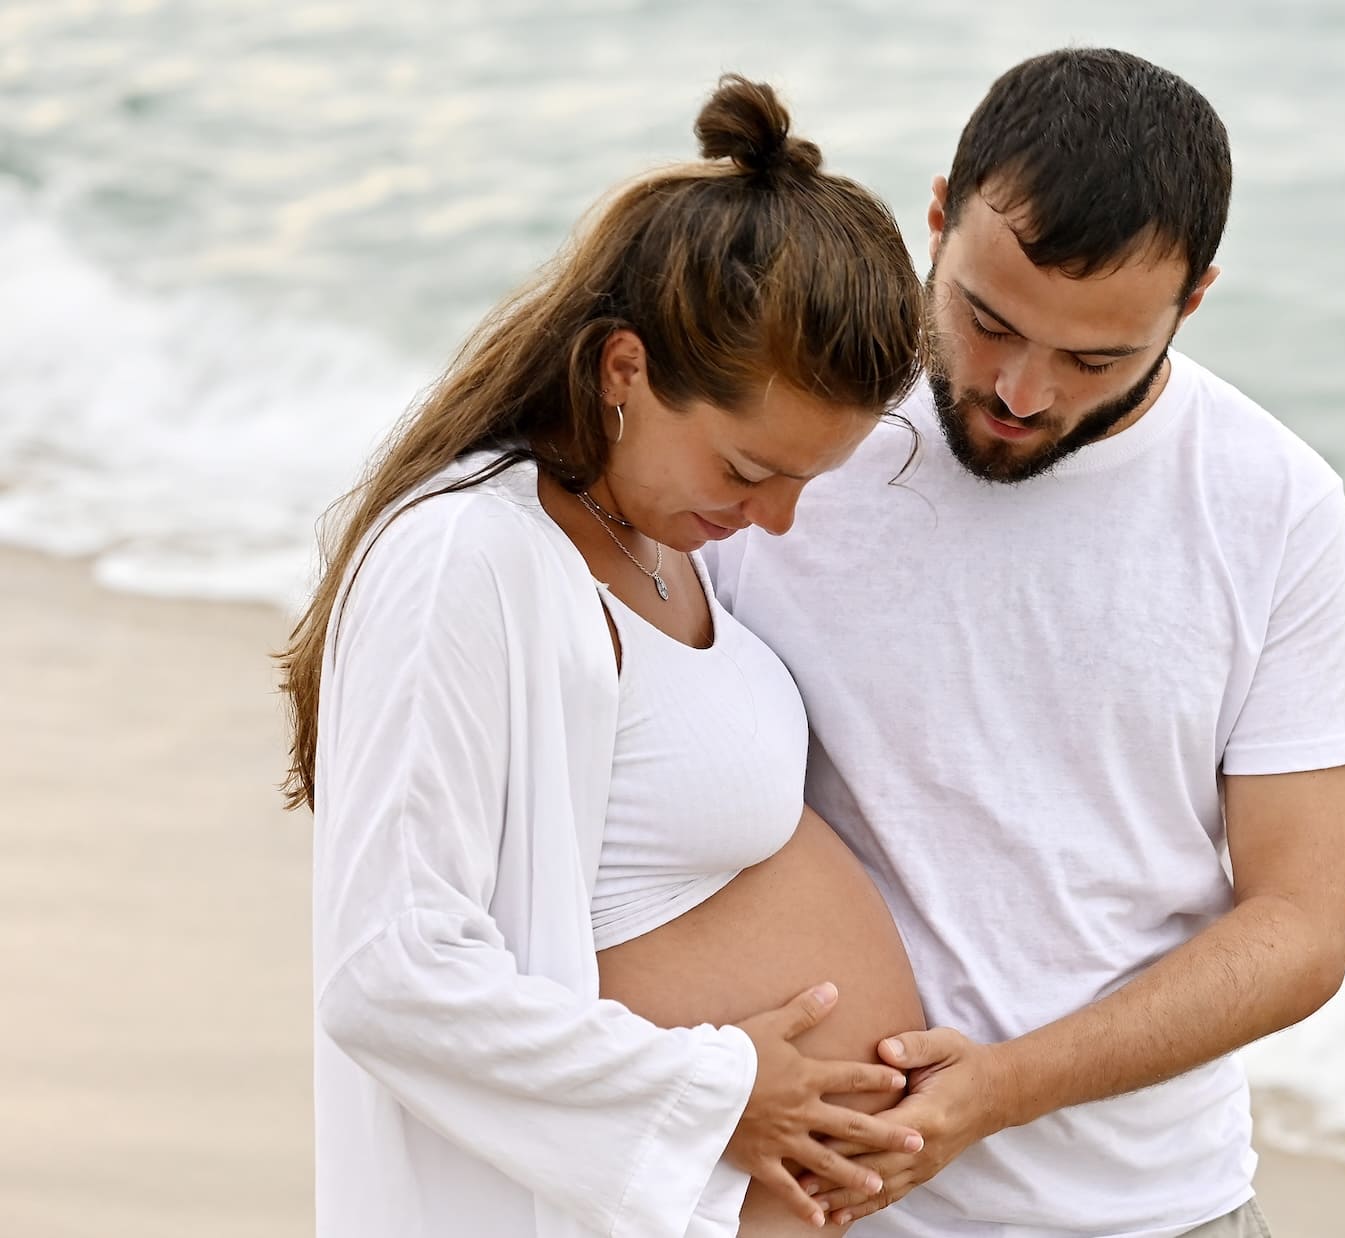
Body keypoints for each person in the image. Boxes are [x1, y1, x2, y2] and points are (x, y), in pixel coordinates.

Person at [706, 48, 1345, 1237]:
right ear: (937, 219)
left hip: (1152, 1207)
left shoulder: (1275, 506)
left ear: (1193, 300)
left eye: (1094, 359)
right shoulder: (792, 431)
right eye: (986, 321)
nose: (1020, 392)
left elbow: (1298, 929)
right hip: (810, 1198)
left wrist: (1002, 1088)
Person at [280, 77, 932, 1238]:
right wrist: (716, 1093)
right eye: (747, 469)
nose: (775, 518)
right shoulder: (467, 558)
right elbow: (390, 971)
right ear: (625, 368)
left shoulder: (660, 534)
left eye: (805, 481)